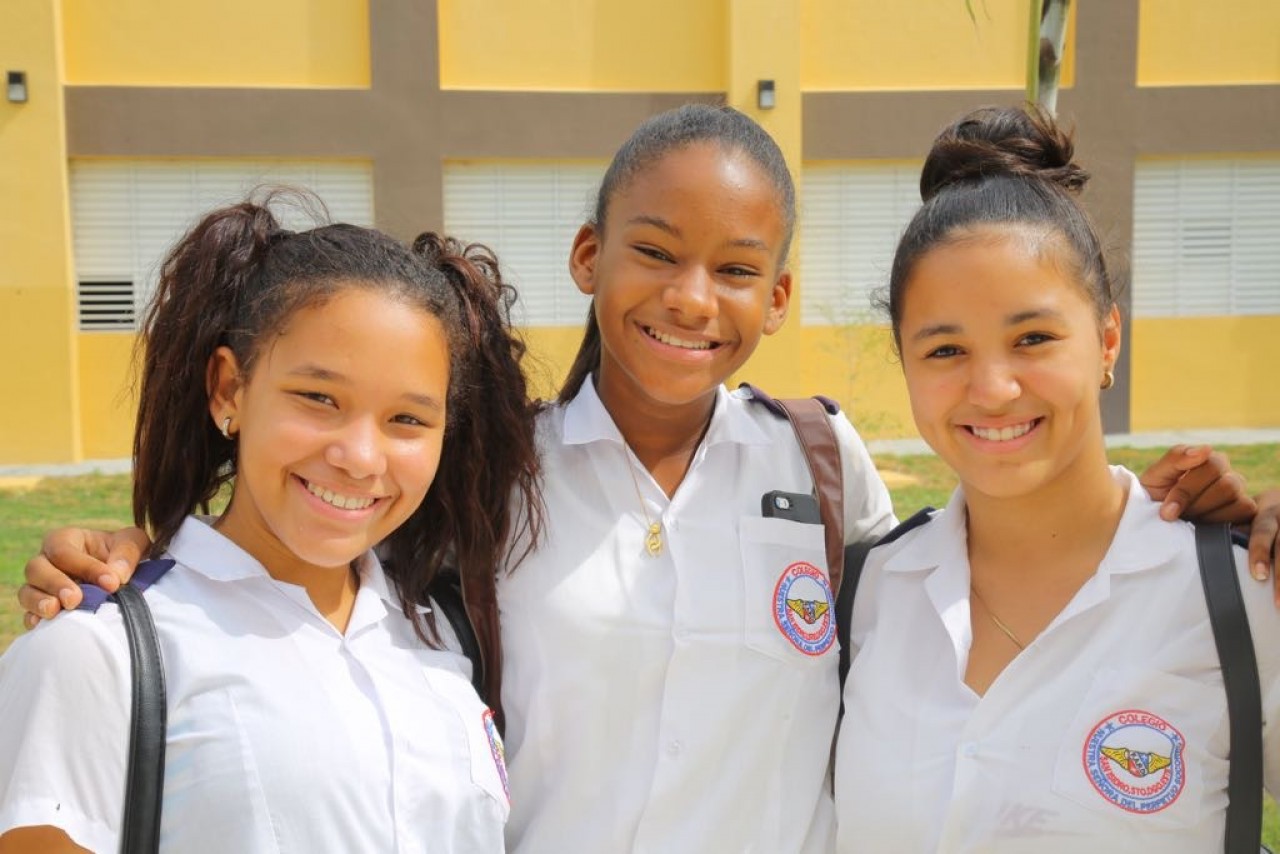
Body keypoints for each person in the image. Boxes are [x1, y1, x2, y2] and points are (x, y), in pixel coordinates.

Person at [16, 106, 1280, 853]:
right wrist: (144, 571)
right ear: (586, 254)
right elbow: (320, 540)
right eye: (655, 252)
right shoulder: (487, 472)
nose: (690, 297)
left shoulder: (827, 470)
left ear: (781, 297)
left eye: (737, 268)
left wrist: (1214, 511)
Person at [0, 198, 541, 852]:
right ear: (230, 389)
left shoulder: (444, 640)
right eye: (319, 399)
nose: (362, 458)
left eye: (408, 419)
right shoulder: (98, 653)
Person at [833, 105, 1278, 852]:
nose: (994, 388)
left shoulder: (1239, 593)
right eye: (945, 351)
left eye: (1032, 338)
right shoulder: (868, 592)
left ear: (1107, 337)